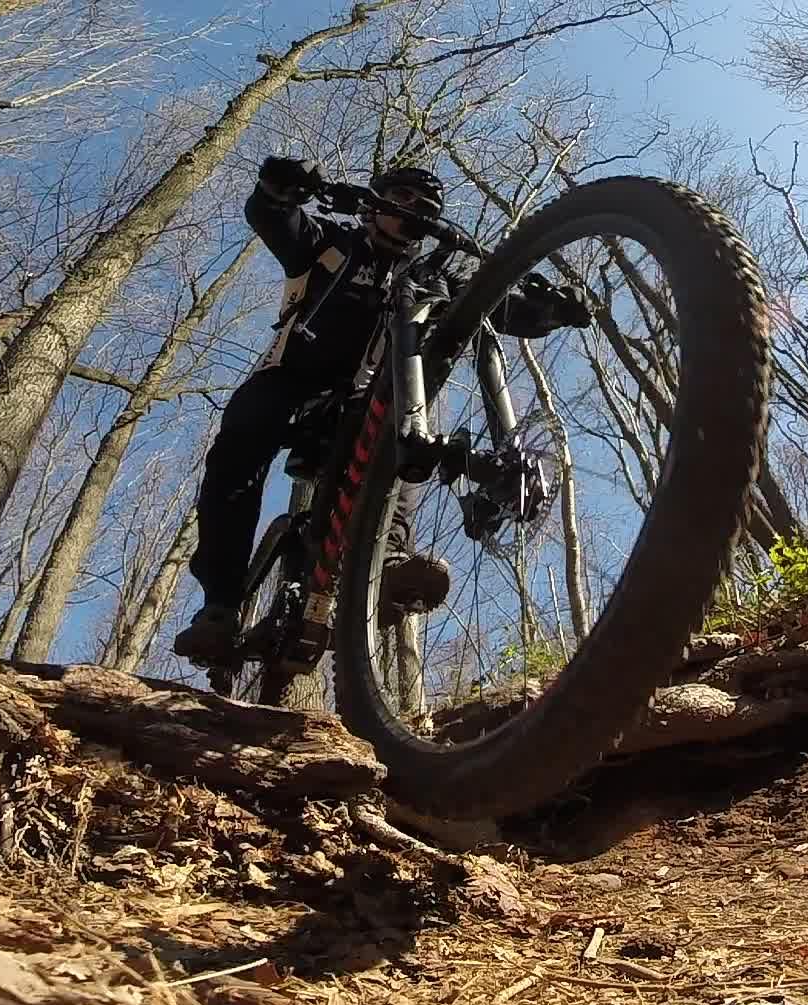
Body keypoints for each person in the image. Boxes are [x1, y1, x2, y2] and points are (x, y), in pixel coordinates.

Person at [173, 156, 593, 665]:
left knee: (397, 445)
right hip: (291, 380)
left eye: (430, 207)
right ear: (376, 205)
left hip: (362, 402)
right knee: (242, 440)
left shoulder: (435, 277)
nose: (416, 212)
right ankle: (219, 606)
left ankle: (387, 563)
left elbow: (497, 309)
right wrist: (280, 187)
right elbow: (272, 217)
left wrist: (552, 310)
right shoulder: (331, 245)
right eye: (405, 200)